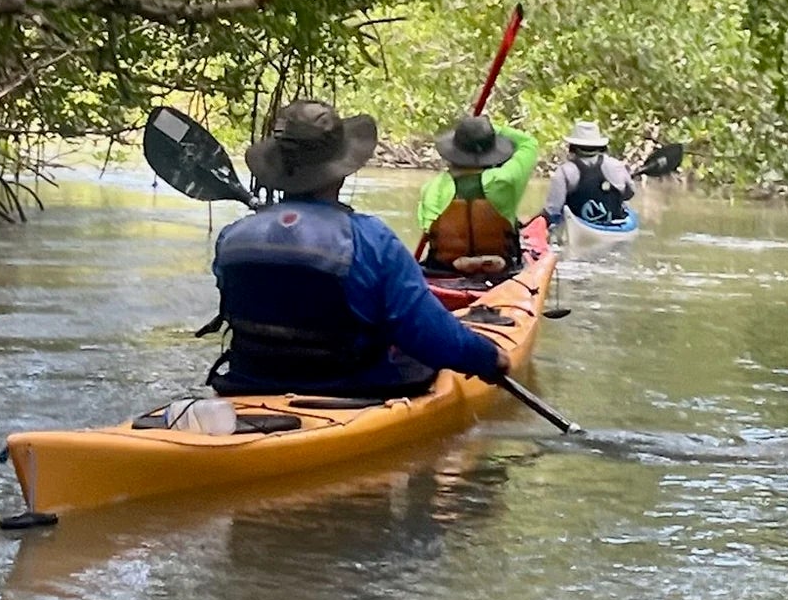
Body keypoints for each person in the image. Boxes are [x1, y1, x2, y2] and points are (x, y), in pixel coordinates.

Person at [206, 100, 511, 396]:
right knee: (414, 358)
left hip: (248, 383)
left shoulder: (232, 238)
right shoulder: (372, 240)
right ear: (342, 170)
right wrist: (489, 358)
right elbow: (430, 335)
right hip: (350, 388)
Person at [418, 112, 540, 274]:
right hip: (501, 268)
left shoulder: (432, 188)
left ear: (454, 151)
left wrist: (473, 131)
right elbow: (529, 143)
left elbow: (428, 229)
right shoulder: (504, 181)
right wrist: (491, 130)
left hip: (444, 269)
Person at [545, 121, 635, 227]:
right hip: (615, 225)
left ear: (573, 146)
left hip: (578, 227)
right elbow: (629, 193)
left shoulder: (565, 171)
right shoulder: (616, 166)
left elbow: (553, 210)